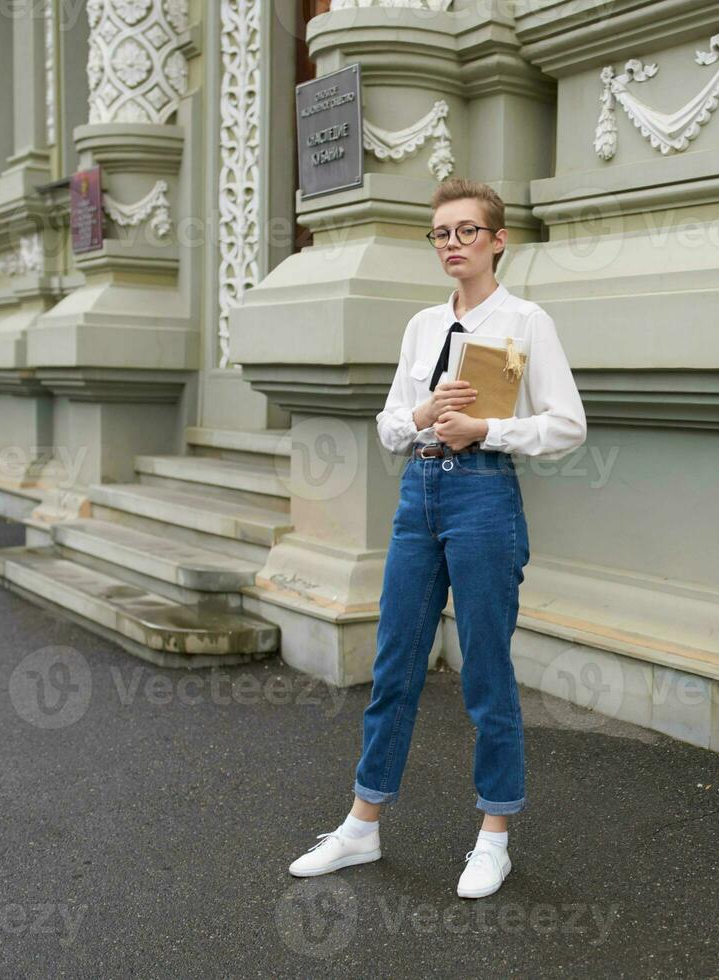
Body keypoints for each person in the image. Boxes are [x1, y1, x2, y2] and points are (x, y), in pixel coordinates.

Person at [288, 178, 588, 898]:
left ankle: (494, 833)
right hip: (418, 492)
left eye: (465, 231)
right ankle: (362, 824)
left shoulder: (526, 321)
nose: (452, 244)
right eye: (441, 234)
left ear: (497, 239)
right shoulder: (423, 325)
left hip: (484, 493)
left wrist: (487, 428)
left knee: (486, 670)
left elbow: (568, 424)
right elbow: (391, 424)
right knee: (394, 663)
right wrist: (425, 413)